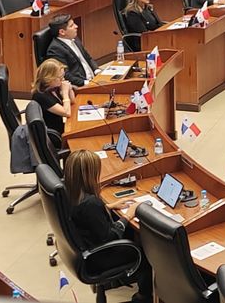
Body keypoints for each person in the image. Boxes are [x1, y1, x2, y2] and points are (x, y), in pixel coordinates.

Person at [63, 150, 153, 302]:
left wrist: (108, 206)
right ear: (89, 175)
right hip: (100, 257)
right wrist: (128, 215)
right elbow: (110, 237)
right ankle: (143, 296)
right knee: (148, 254)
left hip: (85, 249)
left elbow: (86, 216)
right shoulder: (91, 204)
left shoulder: (67, 193)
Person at [46, 14, 99, 86]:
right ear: (62, 32)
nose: (76, 26)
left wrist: (97, 70)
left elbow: (88, 58)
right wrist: (87, 83)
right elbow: (65, 75)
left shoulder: (74, 38)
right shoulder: (55, 49)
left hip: (94, 79)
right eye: (71, 26)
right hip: (81, 85)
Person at [31, 59, 74, 136]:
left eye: (63, 76)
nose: (63, 80)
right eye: (60, 78)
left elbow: (72, 101)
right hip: (52, 136)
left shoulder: (54, 87)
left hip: (60, 127)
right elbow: (67, 113)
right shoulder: (40, 95)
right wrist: (65, 93)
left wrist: (69, 90)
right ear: (49, 78)